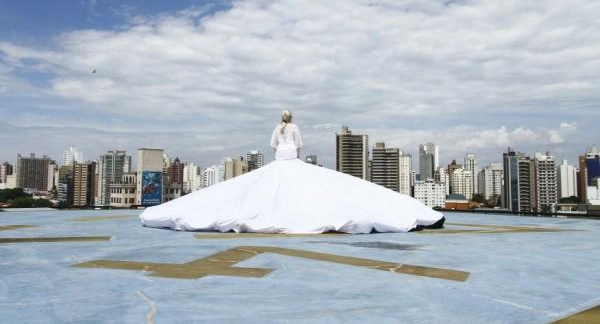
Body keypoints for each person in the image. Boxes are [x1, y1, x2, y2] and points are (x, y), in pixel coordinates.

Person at [140, 111, 444, 233]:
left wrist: (281, 149)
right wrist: (294, 151)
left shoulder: (277, 128)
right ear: (292, 117)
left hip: (280, 156)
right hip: (291, 156)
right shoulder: (294, 128)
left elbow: (273, 143)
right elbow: (298, 143)